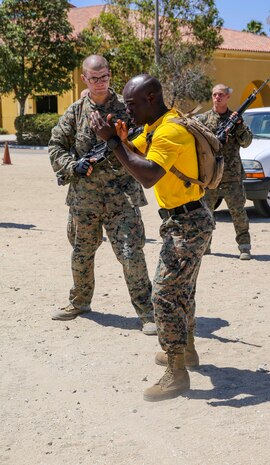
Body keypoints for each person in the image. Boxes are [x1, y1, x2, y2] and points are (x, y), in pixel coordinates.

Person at [90, 74, 215, 402]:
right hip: (185, 220)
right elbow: (137, 157)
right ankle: (185, 352)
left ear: (151, 99)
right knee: (182, 291)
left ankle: (176, 373)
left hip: (187, 224)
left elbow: (147, 176)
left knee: (163, 295)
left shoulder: (170, 130)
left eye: (131, 104)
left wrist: (115, 144)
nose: (127, 111)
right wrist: (118, 139)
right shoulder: (156, 126)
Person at [48, 55, 156, 336]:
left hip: (122, 198)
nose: (99, 82)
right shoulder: (75, 112)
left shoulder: (127, 108)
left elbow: (146, 140)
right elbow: (55, 145)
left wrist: (123, 143)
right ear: (84, 79)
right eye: (93, 78)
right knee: (81, 254)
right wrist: (73, 166)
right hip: (84, 199)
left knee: (131, 254)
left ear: (110, 74)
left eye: (104, 76)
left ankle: (148, 313)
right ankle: (79, 302)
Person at [196, 84, 253, 260]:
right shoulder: (203, 119)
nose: (217, 98)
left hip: (232, 176)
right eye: (214, 94)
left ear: (228, 97)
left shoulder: (236, 120)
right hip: (211, 175)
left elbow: (247, 142)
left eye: (221, 95)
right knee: (206, 212)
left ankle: (244, 247)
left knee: (238, 212)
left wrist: (240, 125)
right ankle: (205, 245)